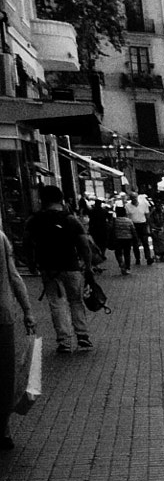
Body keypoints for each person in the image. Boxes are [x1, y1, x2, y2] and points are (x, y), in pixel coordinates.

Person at [25, 188, 92, 355]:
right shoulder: (70, 219)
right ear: (61, 199)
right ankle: (82, 335)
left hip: (49, 269)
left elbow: (27, 243)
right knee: (76, 301)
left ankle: (64, 341)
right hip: (71, 267)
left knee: (57, 304)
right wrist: (88, 265)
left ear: (42, 200)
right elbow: (84, 244)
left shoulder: (34, 220)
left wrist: (31, 263)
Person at [0, 221, 40, 450]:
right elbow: (15, 277)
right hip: (3, 316)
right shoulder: (1, 238)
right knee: (5, 376)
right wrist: (27, 311)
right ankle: (3, 429)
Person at [125, 195, 154, 266]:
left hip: (142, 224)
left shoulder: (144, 204)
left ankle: (148, 258)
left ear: (137, 198)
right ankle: (137, 259)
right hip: (133, 225)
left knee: (145, 242)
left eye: (135, 198)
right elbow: (127, 216)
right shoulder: (127, 206)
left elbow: (147, 215)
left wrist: (148, 226)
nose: (134, 199)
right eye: (132, 198)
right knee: (135, 243)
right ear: (130, 199)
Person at [109, 202, 137, 275]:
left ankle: (121, 263)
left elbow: (111, 229)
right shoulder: (129, 221)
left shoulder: (115, 221)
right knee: (127, 253)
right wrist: (135, 239)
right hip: (128, 239)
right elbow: (133, 230)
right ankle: (127, 267)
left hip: (118, 239)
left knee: (118, 252)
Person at [146, 197, 164, 264]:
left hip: (163, 230)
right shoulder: (153, 213)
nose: (159, 207)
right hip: (155, 230)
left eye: (160, 205)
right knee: (156, 242)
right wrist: (155, 228)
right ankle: (158, 254)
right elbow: (151, 221)